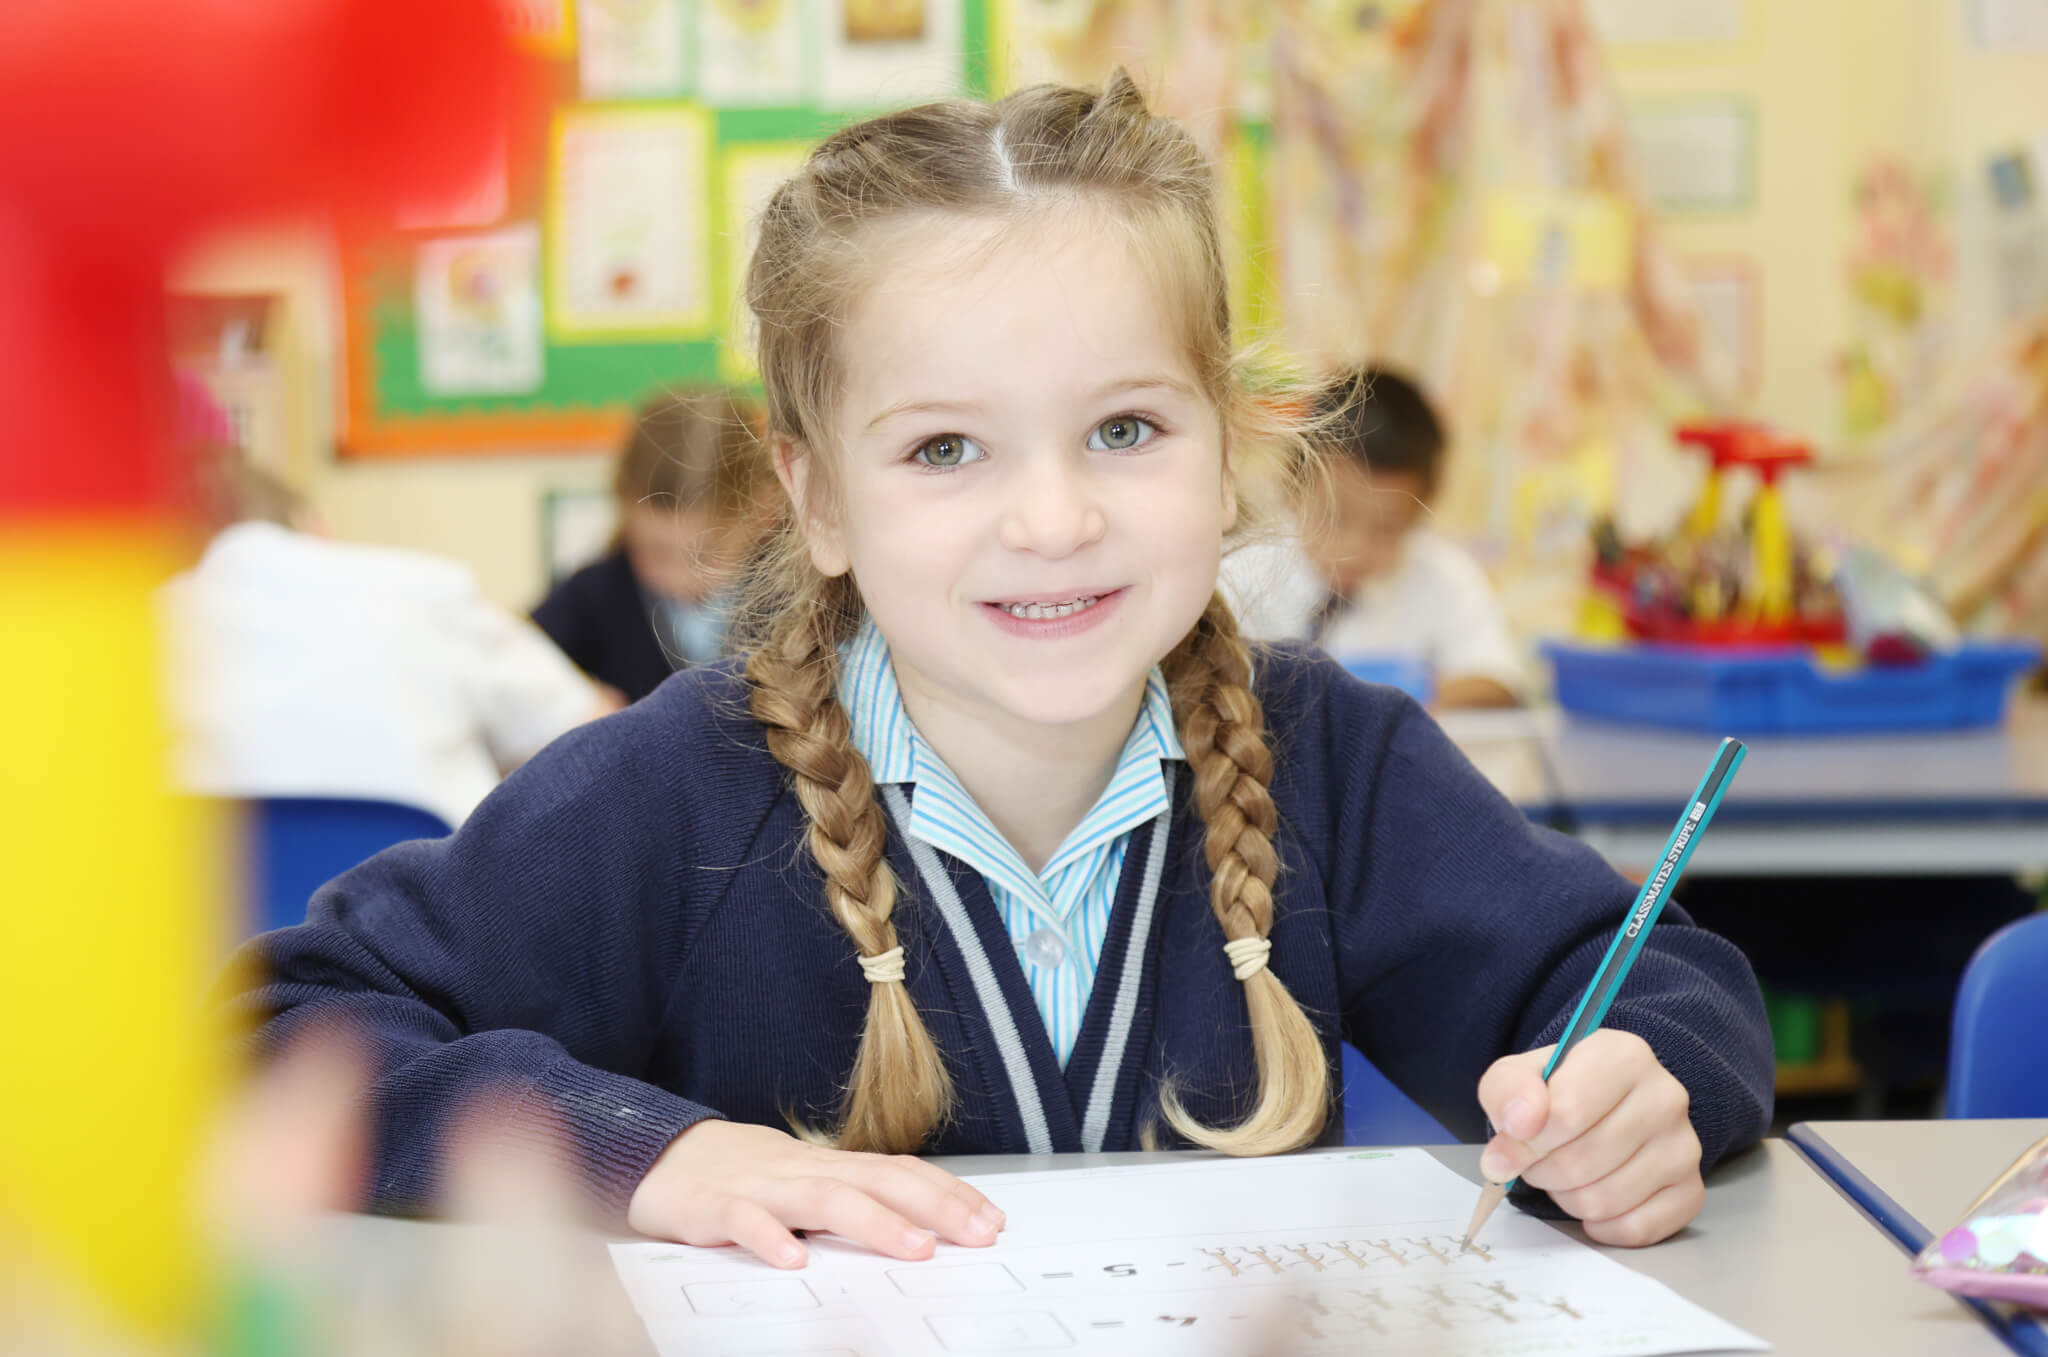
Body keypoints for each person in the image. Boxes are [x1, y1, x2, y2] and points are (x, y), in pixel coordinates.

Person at [231, 74, 1771, 1270]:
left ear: (1227, 452)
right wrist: (645, 1154)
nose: (1054, 518)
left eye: (1125, 429)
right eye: (946, 448)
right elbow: (282, 1027)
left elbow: (1662, 978)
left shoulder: (1334, 762)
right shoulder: (680, 789)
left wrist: (1641, 1082)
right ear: (819, 498)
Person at [162, 385, 612, 829]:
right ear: (314, 525)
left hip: (206, 899)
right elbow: (597, 739)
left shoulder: (144, 629)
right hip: (417, 893)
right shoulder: (425, 588)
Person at [1225, 367, 1527, 708]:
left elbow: (1498, 680)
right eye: (1337, 518)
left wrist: (1397, 699)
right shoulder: (1239, 571)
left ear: (1421, 510)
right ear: (1294, 486)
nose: (1356, 548)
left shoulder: (1443, 575)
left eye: (1388, 529)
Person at [532, 388, 774, 703]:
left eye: (706, 555)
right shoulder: (597, 596)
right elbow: (512, 660)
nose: (678, 578)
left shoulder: (796, 598)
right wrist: (574, 698)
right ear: (626, 513)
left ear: (765, 511)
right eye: (655, 552)